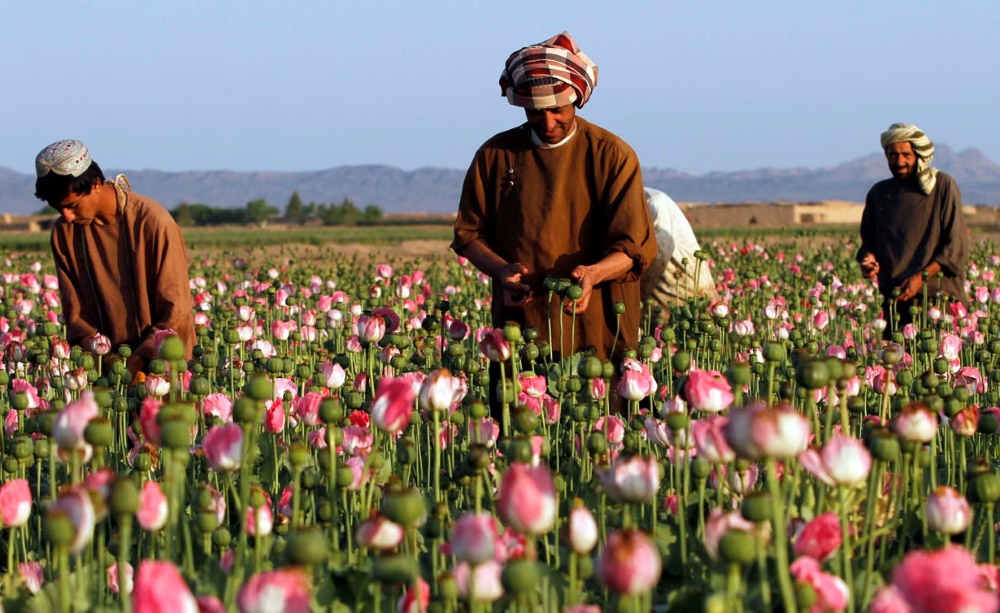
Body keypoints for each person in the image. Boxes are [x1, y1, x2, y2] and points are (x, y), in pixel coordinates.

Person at [452, 31, 657, 376]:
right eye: (536, 112)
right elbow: (469, 235)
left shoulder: (612, 155)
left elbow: (634, 247)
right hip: (523, 319)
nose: (548, 122)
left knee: (602, 417)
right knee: (521, 415)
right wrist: (502, 271)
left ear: (576, 99)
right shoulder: (496, 155)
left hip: (598, 320)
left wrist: (593, 273)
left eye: (557, 110)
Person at [34, 139, 195, 375]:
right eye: (59, 209)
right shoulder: (64, 233)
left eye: (73, 205)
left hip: (163, 366)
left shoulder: (152, 223)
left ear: (96, 184)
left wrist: (140, 359)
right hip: (106, 368)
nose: (67, 217)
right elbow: (75, 311)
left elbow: (175, 309)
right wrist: (101, 355)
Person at [857, 123, 969, 333]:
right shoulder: (879, 193)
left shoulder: (942, 186)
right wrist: (868, 259)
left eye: (905, 155)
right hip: (897, 301)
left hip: (938, 300)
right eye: (893, 155)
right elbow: (868, 242)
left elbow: (955, 246)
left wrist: (920, 279)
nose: (899, 161)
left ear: (918, 154)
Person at [640, 187, 719, 309]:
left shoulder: (655, 203)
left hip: (682, 281)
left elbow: (659, 254)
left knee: (695, 317)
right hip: (655, 293)